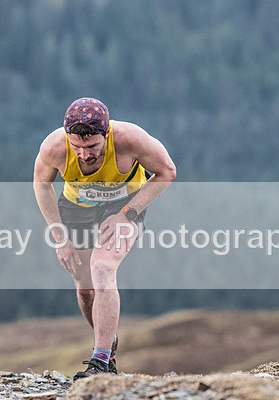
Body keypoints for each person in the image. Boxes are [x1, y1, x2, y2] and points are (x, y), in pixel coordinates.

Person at [33, 97, 176, 380]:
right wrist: (60, 235)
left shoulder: (130, 139)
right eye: (77, 147)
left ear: (106, 135)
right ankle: (107, 343)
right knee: (86, 290)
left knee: (102, 267)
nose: (84, 155)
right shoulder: (53, 147)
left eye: (92, 147)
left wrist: (128, 213)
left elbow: (167, 172)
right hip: (77, 209)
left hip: (125, 205)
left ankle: (100, 362)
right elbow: (41, 185)